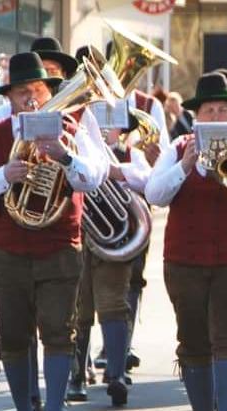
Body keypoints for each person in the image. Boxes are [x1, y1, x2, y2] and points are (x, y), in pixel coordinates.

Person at [0, 52, 108, 411]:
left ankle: (54, 405)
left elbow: (96, 175)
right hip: (8, 249)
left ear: (49, 93)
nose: (30, 98)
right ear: (9, 98)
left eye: (38, 90)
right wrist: (3, 175)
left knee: (59, 332)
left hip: (59, 247)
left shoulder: (70, 127)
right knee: (13, 335)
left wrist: (65, 156)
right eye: (22, 91)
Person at [145, 71, 227, 411]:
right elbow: (154, 194)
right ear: (196, 116)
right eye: (209, 111)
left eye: (223, 110)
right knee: (193, 343)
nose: (216, 117)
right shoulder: (177, 148)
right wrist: (184, 167)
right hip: (185, 262)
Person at [68, 110, 152, 406]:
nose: (104, 130)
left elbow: (149, 181)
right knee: (79, 307)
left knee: (113, 303)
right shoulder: (71, 151)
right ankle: (75, 376)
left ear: (121, 129)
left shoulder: (130, 153)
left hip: (114, 236)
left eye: (110, 124)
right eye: (97, 123)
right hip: (78, 236)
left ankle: (116, 374)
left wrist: (117, 172)